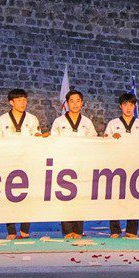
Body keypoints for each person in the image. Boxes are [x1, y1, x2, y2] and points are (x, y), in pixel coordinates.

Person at [0, 89, 42, 239]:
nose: (23, 103)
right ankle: (11, 231)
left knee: (27, 197)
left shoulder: (32, 119)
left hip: (28, 162)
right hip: (8, 162)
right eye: (19, 100)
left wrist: (40, 137)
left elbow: (37, 138)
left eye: (24, 100)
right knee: (9, 197)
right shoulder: (2, 120)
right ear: (11, 102)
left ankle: (25, 229)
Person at [104, 92, 139, 238]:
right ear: (120, 106)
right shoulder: (113, 124)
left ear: (135, 106)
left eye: (131, 104)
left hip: (136, 166)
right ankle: (115, 230)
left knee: (134, 197)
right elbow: (105, 143)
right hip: (116, 166)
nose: (128, 108)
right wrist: (111, 138)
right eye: (125, 105)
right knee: (115, 197)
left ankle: (131, 230)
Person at [51, 90, 96, 239]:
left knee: (80, 197)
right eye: (72, 101)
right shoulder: (59, 122)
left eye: (78, 101)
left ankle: (78, 230)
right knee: (65, 197)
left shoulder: (87, 122)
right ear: (67, 103)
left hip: (82, 164)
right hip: (64, 164)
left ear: (82, 103)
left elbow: (94, 142)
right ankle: (67, 230)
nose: (75, 104)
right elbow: (53, 141)